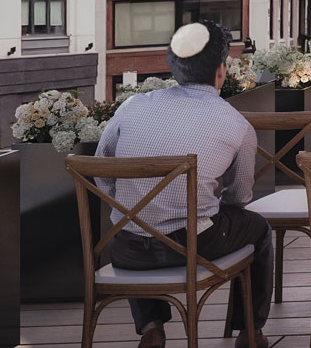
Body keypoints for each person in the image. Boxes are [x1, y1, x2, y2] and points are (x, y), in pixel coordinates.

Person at [96, 21, 272, 348]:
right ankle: (250, 330)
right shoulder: (236, 123)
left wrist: (127, 215)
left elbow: (101, 170)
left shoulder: (132, 106)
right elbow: (239, 197)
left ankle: (151, 326)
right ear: (221, 70)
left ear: (172, 65)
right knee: (258, 228)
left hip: (125, 250)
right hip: (193, 248)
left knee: (133, 218)